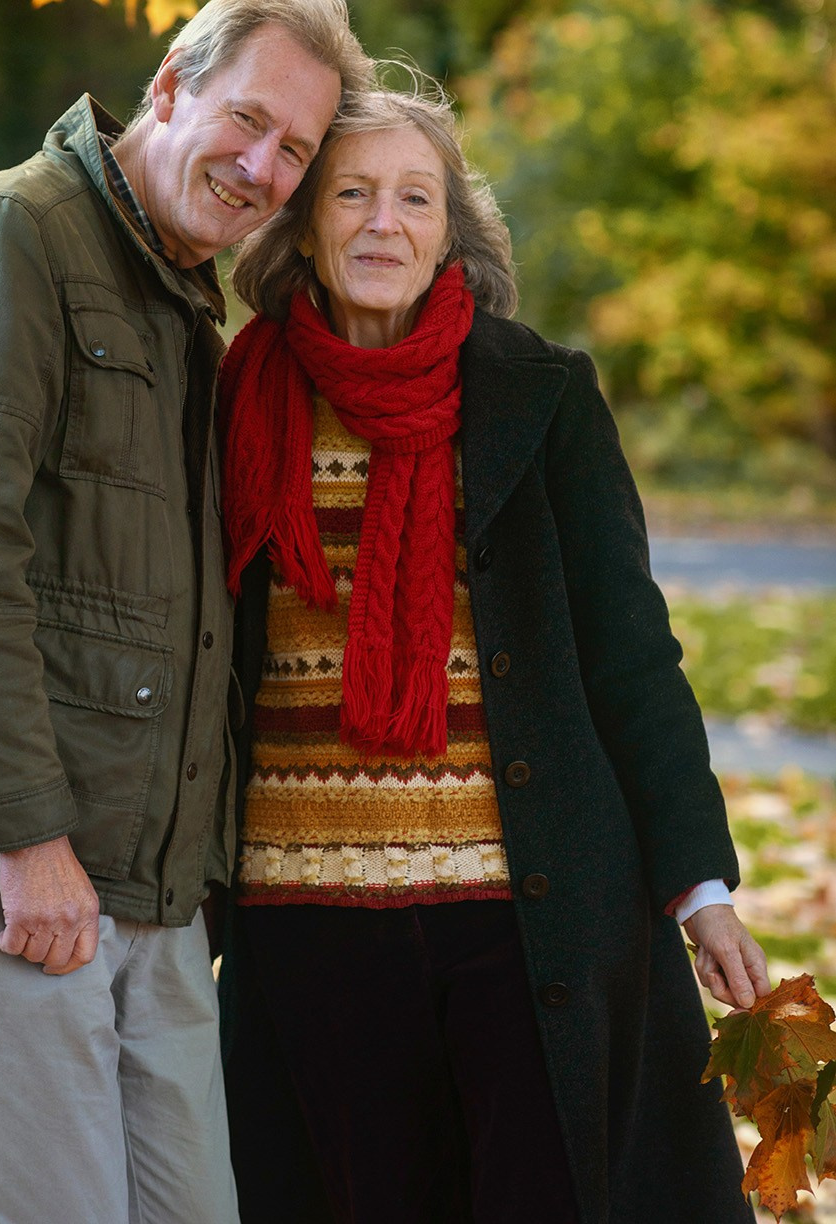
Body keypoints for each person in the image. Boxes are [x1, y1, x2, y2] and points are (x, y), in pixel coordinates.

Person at [0, 0, 373, 1224]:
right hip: (8, 856)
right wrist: (27, 840)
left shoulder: (185, 308)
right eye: (246, 119)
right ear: (168, 86)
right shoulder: (10, 238)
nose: (262, 167)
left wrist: (191, 869)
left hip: (146, 878)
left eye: (295, 150)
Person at [218, 84, 769, 1224]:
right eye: (351, 194)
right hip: (304, 923)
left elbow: (631, 652)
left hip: (528, 917)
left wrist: (701, 891)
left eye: (414, 198)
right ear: (305, 225)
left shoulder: (542, 394)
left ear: (450, 231)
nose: (383, 222)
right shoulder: (239, 397)